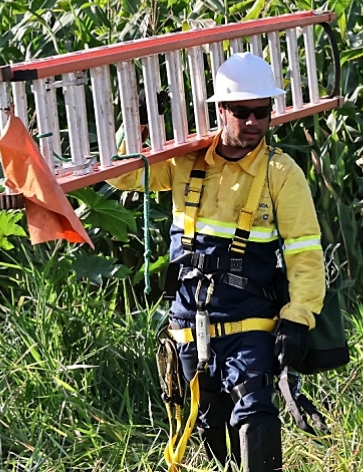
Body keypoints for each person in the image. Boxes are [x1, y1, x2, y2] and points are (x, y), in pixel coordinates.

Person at [109, 52, 325, 472]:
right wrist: (132, 125)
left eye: (261, 112)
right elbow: (123, 174)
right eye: (242, 112)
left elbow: (304, 250)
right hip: (189, 325)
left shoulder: (282, 173)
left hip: (250, 325)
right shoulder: (184, 162)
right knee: (209, 426)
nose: (253, 122)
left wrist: (299, 316)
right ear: (221, 110)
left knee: (255, 415)